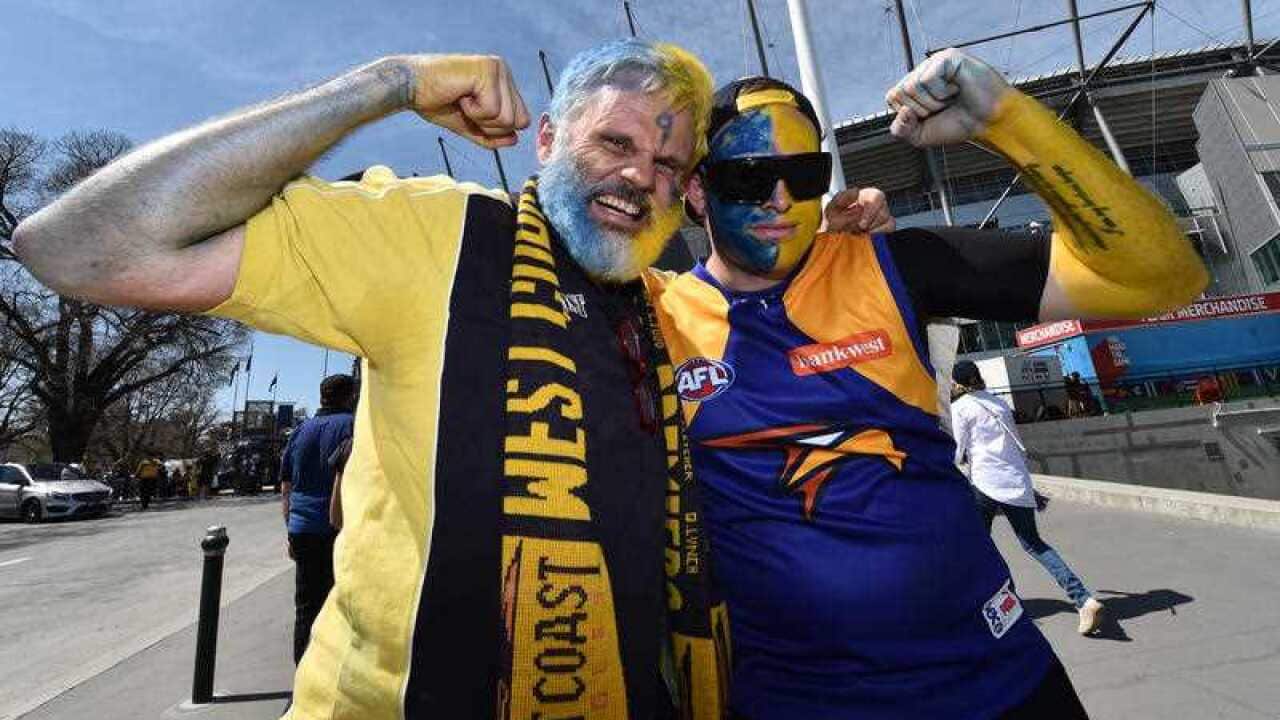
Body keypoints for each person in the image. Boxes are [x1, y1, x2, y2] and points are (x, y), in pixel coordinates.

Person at [13, 39, 741, 719]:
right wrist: (387, 84)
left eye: (670, 164)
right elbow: (77, 249)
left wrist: (838, 237)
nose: (642, 176)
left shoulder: (661, 306)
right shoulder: (437, 234)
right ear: (548, 140)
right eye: (617, 141)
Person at [645, 52, 1206, 718]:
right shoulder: (649, 316)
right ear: (697, 190)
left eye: (803, 175)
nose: (779, 199)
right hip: (796, 702)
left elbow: (1161, 278)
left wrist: (1007, 119)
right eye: (748, 177)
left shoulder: (893, 264)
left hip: (1000, 684)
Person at [951, 360, 1104, 636]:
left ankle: (997, 600)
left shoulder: (960, 407)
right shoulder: (998, 403)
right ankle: (1083, 599)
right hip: (1017, 483)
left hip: (985, 483)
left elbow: (958, 451)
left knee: (979, 545)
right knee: (1034, 544)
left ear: (959, 383)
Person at [279, 373, 355, 664]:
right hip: (338, 529)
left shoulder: (301, 430)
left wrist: (290, 530)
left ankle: (304, 673)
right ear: (350, 396)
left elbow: (286, 487)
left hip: (301, 527)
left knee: (306, 609)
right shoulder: (352, 426)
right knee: (342, 607)